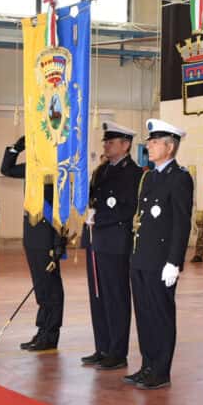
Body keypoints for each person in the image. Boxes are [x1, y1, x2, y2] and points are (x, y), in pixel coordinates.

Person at [126, 118, 194, 390]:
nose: (149, 146)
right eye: (149, 142)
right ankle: (147, 365)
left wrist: (174, 262)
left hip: (161, 260)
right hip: (141, 257)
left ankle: (161, 370)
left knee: (161, 315)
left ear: (170, 147)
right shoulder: (149, 176)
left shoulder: (179, 178)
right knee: (143, 314)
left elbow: (181, 222)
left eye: (154, 143)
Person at [79, 123, 143, 371]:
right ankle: (102, 347)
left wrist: (100, 218)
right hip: (96, 239)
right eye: (105, 142)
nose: (105, 145)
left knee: (115, 296)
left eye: (111, 142)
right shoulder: (101, 170)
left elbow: (128, 209)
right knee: (98, 296)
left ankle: (117, 352)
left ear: (125, 145)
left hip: (115, 241)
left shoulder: (133, 173)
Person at [0, 135, 65, 350]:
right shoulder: (32, 168)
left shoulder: (55, 171)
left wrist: (58, 241)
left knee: (51, 286)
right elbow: (6, 169)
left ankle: (51, 333)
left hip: (47, 235)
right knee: (40, 286)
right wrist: (15, 147)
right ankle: (42, 330)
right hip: (31, 234)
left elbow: (59, 208)